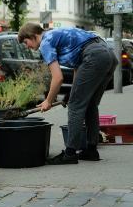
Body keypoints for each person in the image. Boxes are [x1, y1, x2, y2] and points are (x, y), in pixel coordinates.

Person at [18, 23, 117, 165]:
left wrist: (48, 101)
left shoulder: (45, 42)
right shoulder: (57, 34)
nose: (27, 46)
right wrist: (72, 92)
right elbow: (78, 66)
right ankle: (91, 150)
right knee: (90, 105)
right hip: (108, 56)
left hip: (94, 57)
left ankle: (70, 153)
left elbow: (58, 78)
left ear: (33, 36)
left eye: (26, 42)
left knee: (75, 106)